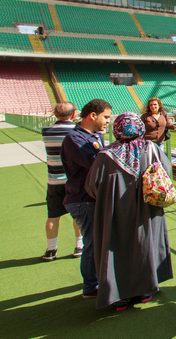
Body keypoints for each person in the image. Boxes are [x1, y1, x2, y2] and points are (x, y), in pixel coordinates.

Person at [85, 113, 174, 311]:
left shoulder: (105, 155)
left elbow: (92, 186)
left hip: (114, 213)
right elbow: (167, 172)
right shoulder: (151, 149)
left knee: (116, 248)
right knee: (145, 245)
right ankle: (145, 289)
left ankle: (119, 295)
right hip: (147, 209)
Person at [61, 98, 112, 299]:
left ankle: (96, 280)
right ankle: (91, 286)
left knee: (96, 241)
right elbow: (98, 163)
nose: (108, 121)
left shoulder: (92, 135)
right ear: (93, 115)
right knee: (92, 243)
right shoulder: (75, 138)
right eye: (106, 117)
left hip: (90, 197)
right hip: (83, 198)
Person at [41, 102, 82, 261]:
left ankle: (51, 250)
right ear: (73, 115)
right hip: (73, 180)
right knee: (78, 215)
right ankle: (79, 246)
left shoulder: (46, 131)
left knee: (52, 216)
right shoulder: (77, 131)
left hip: (54, 181)